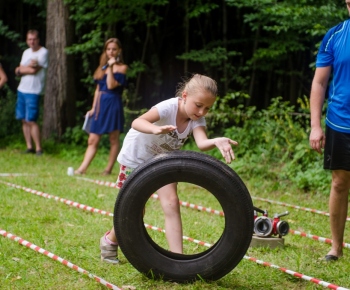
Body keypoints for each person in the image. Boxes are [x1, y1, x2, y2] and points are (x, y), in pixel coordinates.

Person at [99, 74, 238, 264]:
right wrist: (154, 129)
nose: (202, 112)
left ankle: (178, 260)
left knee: (172, 203)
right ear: (185, 96)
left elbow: (202, 143)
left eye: (207, 108)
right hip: (136, 158)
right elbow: (137, 122)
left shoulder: (196, 119)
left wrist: (216, 140)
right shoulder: (168, 107)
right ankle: (109, 241)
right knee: (134, 209)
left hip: (163, 161)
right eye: (198, 105)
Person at [309, 0, 350, 262]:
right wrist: (315, 126)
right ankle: (336, 248)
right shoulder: (335, 35)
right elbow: (319, 82)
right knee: (339, 182)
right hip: (340, 122)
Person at [75, 38, 127, 175]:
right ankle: (82, 169)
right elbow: (98, 89)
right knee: (92, 139)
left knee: (113, 138)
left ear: (119, 51)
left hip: (113, 103)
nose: (111, 52)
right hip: (100, 104)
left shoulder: (122, 68)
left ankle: (108, 169)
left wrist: (110, 67)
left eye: (114, 49)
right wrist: (93, 108)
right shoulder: (100, 68)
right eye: (108, 49)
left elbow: (110, 85)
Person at [15, 29, 48, 156]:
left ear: (38, 40)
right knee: (23, 119)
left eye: (34, 39)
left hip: (34, 91)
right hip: (22, 89)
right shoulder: (26, 52)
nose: (32, 42)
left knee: (31, 120)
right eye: (29, 39)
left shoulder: (43, 52)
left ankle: (39, 148)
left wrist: (23, 69)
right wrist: (26, 68)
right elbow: (17, 70)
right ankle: (29, 147)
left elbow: (34, 71)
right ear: (26, 40)